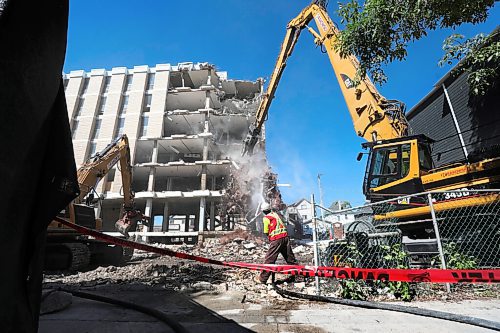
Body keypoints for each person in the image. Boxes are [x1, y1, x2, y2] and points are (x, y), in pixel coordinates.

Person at [255, 202, 298, 284]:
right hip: (285, 237)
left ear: (263, 211)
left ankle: (262, 279)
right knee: (290, 258)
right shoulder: (275, 214)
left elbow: (266, 230)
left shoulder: (266, 218)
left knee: (269, 259)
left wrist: (268, 236)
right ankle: (298, 276)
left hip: (276, 239)